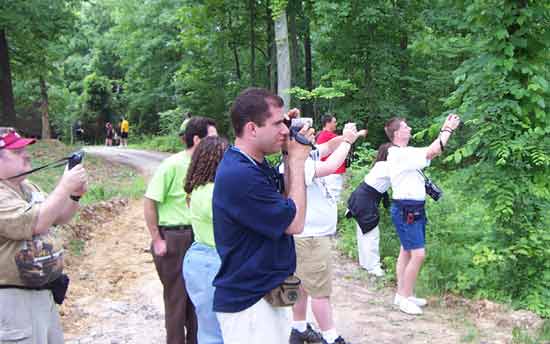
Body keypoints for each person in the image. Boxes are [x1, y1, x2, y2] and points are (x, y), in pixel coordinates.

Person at [212, 87, 313, 344]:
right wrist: (299, 163)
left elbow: (289, 204)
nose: (284, 131)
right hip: (250, 306)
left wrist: (290, 154)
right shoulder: (241, 175)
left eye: (285, 123)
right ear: (252, 129)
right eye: (277, 124)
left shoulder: (253, 164)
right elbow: (295, 222)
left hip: (264, 295)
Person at [0, 127, 88, 343]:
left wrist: (74, 195)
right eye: (17, 152)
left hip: (43, 294)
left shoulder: (27, 187)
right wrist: (64, 185)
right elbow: (37, 222)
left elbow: (58, 217)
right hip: (13, 301)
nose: (27, 155)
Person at [289, 123, 365, 344]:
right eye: (308, 134)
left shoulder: (303, 155)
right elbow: (331, 165)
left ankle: (298, 328)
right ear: (296, 140)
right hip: (311, 238)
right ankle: (331, 337)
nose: (313, 136)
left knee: (301, 285)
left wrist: (346, 136)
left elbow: (329, 147)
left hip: (306, 236)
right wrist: (348, 142)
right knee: (320, 291)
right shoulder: (298, 165)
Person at [144, 117, 217, 344]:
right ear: (197, 139)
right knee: (177, 300)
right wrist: (157, 239)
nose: (215, 143)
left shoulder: (208, 167)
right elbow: (149, 201)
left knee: (199, 300)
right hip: (175, 237)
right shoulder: (172, 165)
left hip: (199, 238)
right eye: (211, 138)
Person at [385, 114, 461, 315]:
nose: (409, 128)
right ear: (397, 133)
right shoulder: (398, 154)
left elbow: (430, 153)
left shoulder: (406, 152)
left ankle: (404, 294)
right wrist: (447, 129)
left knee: (406, 251)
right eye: (406, 126)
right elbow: (434, 150)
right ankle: (403, 297)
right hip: (406, 209)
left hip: (413, 208)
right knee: (418, 254)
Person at [182, 136, 228, 344]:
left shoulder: (196, 190)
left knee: (208, 329)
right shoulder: (214, 192)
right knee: (221, 332)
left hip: (198, 259)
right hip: (215, 260)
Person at [346, 143, 392, 277]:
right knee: (372, 235)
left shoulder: (380, 165)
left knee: (364, 233)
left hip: (360, 198)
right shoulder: (386, 166)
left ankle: (365, 263)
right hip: (365, 201)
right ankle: (373, 267)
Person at [316, 114, 346, 202]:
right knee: (333, 199)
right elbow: (346, 139)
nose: (336, 124)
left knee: (330, 198)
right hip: (331, 174)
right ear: (327, 123)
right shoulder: (327, 135)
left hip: (330, 173)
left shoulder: (324, 135)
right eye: (334, 122)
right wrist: (358, 133)